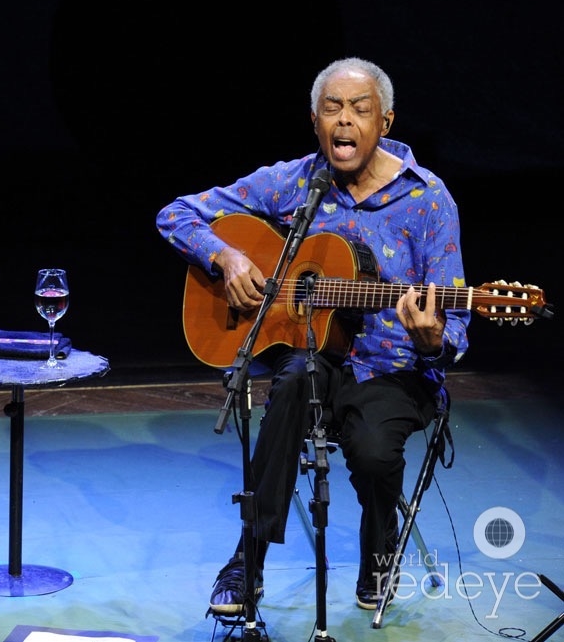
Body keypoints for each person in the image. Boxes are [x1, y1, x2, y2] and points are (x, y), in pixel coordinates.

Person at [155, 57, 470, 615]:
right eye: (332, 109)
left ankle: (380, 552)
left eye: (359, 109)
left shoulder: (428, 200)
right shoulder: (297, 180)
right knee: (290, 387)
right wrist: (226, 257)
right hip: (313, 355)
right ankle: (246, 564)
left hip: (395, 368)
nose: (344, 121)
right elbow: (176, 215)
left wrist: (430, 340)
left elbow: (456, 324)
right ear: (315, 120)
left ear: (386, 122)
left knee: (373, 454)